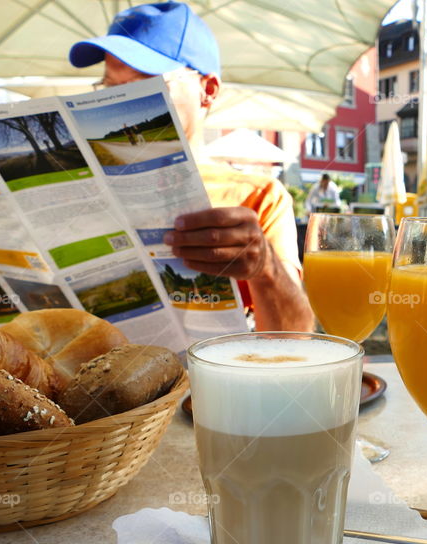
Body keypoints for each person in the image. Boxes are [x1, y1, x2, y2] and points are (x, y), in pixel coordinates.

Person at [69, 2, 313, 332]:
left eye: (147, 86)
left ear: (207, 90)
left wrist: (265, 267)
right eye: (112, 87)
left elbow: (296, 336)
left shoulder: (258, 196)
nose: (123, 104)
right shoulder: (81, 181)